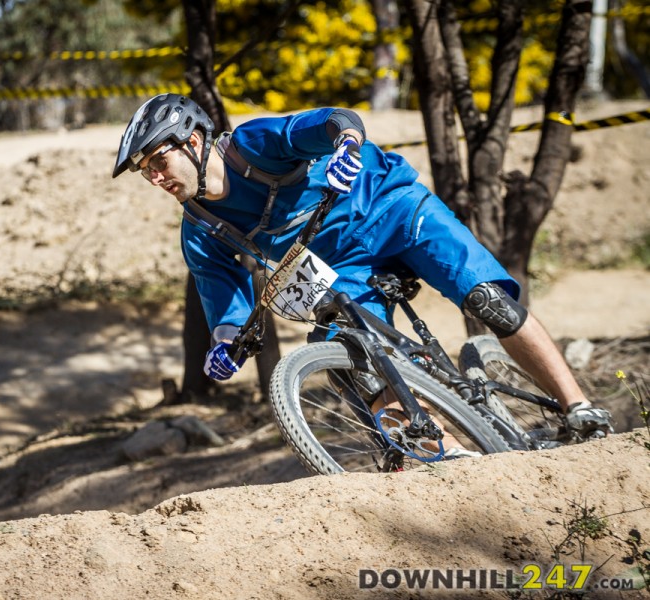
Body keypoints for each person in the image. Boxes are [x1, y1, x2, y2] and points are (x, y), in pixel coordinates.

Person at [112, 93, 612, 442]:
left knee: (488, 302)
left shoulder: (254, 143)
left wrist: (347, 147)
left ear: (193, 142)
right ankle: (448, 455)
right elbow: (224, 298)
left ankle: (579, 408)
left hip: (392, 208)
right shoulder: (199, 225)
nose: (154, 176)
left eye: (157, 160)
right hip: (340, 266)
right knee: (361, 367)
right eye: (145, 171)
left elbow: (335, 119)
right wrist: (224, 344)